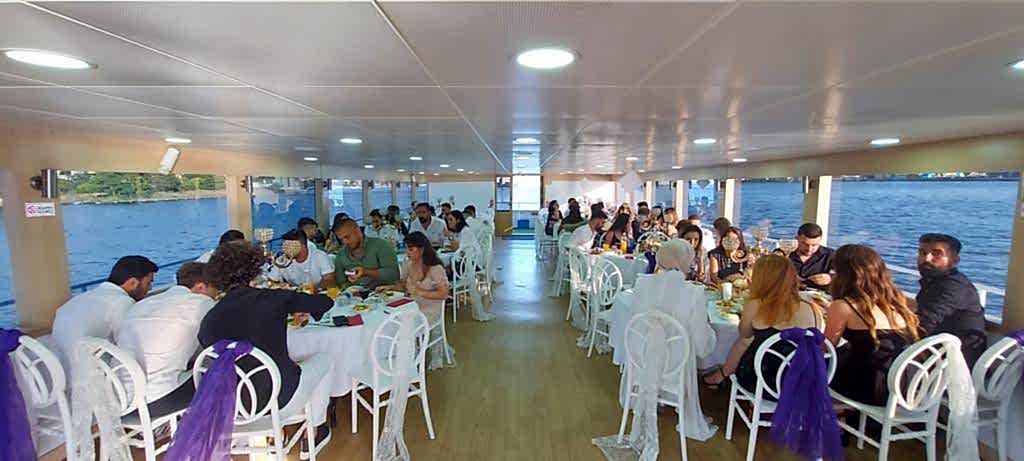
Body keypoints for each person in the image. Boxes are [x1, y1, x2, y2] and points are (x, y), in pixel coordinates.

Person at [198, 241, 334, 456]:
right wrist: (295, 309)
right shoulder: (272, 299)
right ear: (254, 268)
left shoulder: (210, 318)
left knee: (268, 367)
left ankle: (274, 435)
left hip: (234, 406)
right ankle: (315, 431)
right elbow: (324, 302)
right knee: (325, 359)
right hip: (279, 399)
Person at [703, 255, 823, 389]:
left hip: (762, 380)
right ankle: (722, 374)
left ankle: (723, 374)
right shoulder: (812, 307)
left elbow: (744, 333)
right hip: (801, 379)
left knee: (745, 341)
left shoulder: (755, 304)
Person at [825, 245, 920, 406]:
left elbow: (826, 348)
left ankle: (810, 415)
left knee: (806, 365)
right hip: (902, 387)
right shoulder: (897, 303)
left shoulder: (844, 306)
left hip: (870, 388)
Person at [116, 262, 219, 402]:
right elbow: (216, 342)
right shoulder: (202, 302)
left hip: (124, 396)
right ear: (201, 287)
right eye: (215, 290)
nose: (215, 295)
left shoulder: (141, 304)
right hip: (160, 397)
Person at [52, 255, 158, 367]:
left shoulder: (81, 299)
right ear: (132, 283)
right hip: (90, 372)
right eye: (148, 283)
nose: (150, 288)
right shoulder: (122, 302)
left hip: (59, 368)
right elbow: (129, 345)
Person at [375, 232, 454, 370]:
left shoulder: (435, 268)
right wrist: (389, 287)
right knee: (388, 320)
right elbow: (404, 286)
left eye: (410, 249)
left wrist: (419, 292)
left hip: (429, 309)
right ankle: (397, 360)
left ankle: (407, 363)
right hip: (411, 305)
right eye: (406, 248)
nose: (407, 252)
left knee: (401, 326)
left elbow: (443, 294)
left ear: (422, 249)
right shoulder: (408, 264)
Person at [912, 233, 987, 367]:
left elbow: (925, 322)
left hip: (953, 365)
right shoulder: (935, 281)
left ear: (955, 260)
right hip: (938, 351)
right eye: (922, 253)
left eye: (937, 254)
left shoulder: (953, 287)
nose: (927, 258)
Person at [333, 218, 400, 289]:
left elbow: (393, 275)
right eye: (341, 239)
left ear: (358, 230)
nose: (345, 242)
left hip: (382, 292)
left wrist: (366, 272)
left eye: (347, 237)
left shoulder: (381, 246)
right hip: (354, 293)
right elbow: (341, 283)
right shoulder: (341, 254)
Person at [267, 229, 336, 289]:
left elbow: (329, 280)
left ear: (303, 246)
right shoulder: (282, 260)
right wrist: (281, 286)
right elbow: (271, 281)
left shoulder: (320, 256)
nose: (286, 249)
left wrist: (313, 289)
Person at [789, 223, 835, 291]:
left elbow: (844, 276)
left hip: (818, 295)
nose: (809, 249)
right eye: (805, 244)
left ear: (820, 241)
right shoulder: (786, 254)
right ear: (797, 239)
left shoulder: (830, 255)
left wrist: (830, 278)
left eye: (814, 245)